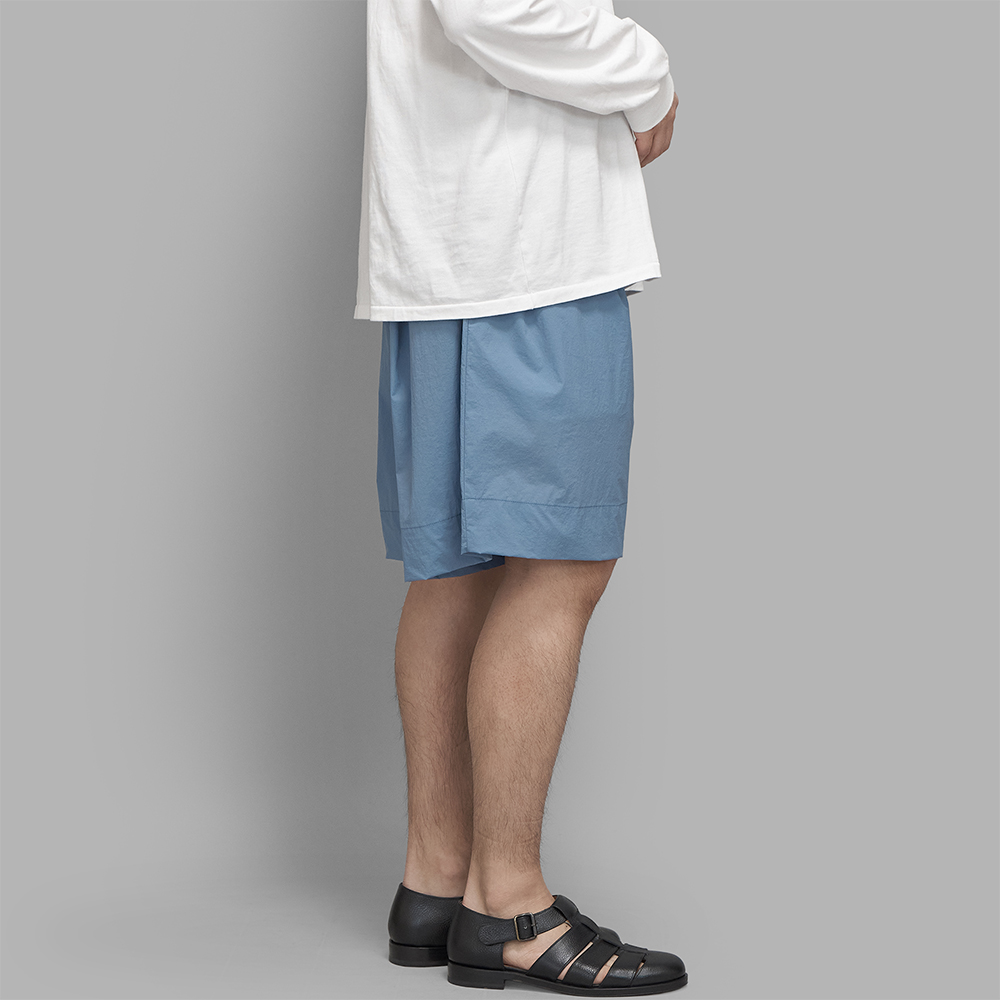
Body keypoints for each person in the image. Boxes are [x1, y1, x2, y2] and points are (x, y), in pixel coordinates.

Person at [354, 0, 684, 994]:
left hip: (454, 232)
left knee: (456, 568)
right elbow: (495, 9)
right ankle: (508, 905)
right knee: (557, 564)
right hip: (528, 247)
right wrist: (646, 73)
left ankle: (436, 882)